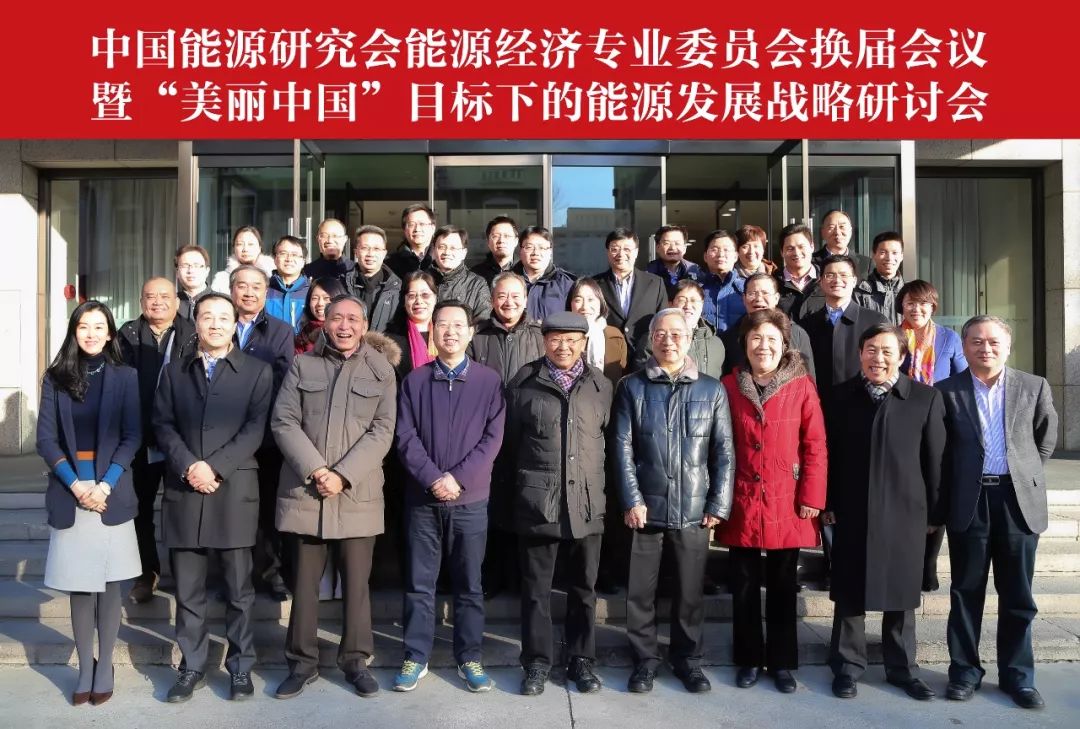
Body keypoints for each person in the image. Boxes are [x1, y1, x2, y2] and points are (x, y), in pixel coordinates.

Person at [271, 295, 397, 699]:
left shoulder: (382, 370)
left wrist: (342, 475)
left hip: (357, 494)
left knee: (357, 586)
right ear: (324, 322)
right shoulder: (303, 364)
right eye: (337, 318)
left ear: (365, 325)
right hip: (306, 492)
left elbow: (383, 430)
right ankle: (301, 663)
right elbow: (284, 420)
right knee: (304, 585)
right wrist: (316, 469)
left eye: (353, 319)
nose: (344, 326)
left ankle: (356, 662)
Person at [153, 293, 273, 703]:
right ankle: (192, 665)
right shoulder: (174, 372)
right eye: (208, 317)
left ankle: (240, 667)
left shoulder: (256, 371)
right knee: (188, 591)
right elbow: (162, 424)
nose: (216, 324)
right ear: (197, 323)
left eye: (224, 317)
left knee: (239, 590)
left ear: (235, 323)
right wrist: (190, 466)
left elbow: (256, 429)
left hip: (233, 490)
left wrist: (215, 467)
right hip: (184, 489)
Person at [937, 316, 1058, 710]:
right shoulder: (946, 391)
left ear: (1007, 346)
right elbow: (941, 451)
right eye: (976, 341)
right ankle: (964, 672)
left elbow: (1044, 440)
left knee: (1018, 594)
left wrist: (1021, 475)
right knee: (965, 592)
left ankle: (1018, 676)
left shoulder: (1033, 386)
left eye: (992, 341)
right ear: (964, 347)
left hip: (1016, 501)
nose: (984, 348)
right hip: (969, 501)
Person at [612, 308, 734, 695]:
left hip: (693, 508)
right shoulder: (631, 387)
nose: (669, 340)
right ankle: (644, 661)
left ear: (689, 338)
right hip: (644, 507)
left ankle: (688, 660)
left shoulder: (711, 389)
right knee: (640, 593)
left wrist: (718, 503)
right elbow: (621, 448)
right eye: (661, 334)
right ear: (651, 340)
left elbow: (724, 452)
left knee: (689, 593)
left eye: (677, 333)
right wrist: (631, 499)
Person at [823, 324, 946, 702]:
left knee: (901, 594)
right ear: (860, 353)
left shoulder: (924, 398)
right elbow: (829, 455)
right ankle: (847, 667)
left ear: (902, 356)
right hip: (852, 509)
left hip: (906, 512)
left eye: (887, 351)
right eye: (871, 350)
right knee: (849, 592)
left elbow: (935, 460)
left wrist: (935, 513)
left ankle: (903, 669)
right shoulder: (840, 396)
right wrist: (828, 502)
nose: (878, 358)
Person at [394, 300, 506, 693]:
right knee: (419, 583)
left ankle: (469, 657)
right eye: (443, 325)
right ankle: (415, 656)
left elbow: (493, 439)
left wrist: (457, 479)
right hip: (423, 501)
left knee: (469, 584)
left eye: (459, 325)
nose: (451, 332)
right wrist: (432, 479)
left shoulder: (489, 382)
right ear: (432, 332)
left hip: (470, 500)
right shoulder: (415, 381)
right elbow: (404, 437)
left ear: (471, 332)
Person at [37, 301, 141, 706]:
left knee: (111, 585)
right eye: (84, 326)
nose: (92, 333)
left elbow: (132, 436)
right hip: (71, 488)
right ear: (74, 331)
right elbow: (46, 439)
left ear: (110, 333)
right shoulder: (56, 378)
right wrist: (77, 485)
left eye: (99, 326)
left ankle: (105, 665)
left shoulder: (125, 376)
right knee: (81, 586)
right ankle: (85, 666)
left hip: (111, 490)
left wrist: (105, 485)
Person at [717, 309, 826, 694]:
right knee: (744, 586)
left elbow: (815, 445)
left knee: (782, 586)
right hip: (743, 497)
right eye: (756, 338)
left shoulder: (801, 386)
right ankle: (748, 659)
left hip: (787, 498)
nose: (763, 346)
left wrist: (812, 495)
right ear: (744, 343)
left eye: (771, 340)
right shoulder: (729, 386)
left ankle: (781, 663)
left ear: (784, 345)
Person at [505, 312, 613, 697]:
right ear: (544, 341)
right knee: (536, 589)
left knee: (584, 588)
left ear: (584, 343)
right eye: (555, 339)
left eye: (571, 340)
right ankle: (536, 662)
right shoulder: (524, 383)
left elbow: (611, 444)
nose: (563, 346)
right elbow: (510, 446)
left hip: (586, 502)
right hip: (539, 502)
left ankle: (581, 660)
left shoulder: (601, 385)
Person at [117, 277, 195, 604]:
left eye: (165, 296)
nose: (157, 302)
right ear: (141, 301)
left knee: (182, 507)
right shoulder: (126, 335)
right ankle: (146, 572)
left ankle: (186, 574)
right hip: (140, 438)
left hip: (181, 438)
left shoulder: (193, 333)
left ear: (177, 302)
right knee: (140, 508)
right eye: (150, 296)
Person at [467, 272, 544, 600]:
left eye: (515, 296)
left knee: (526, 505)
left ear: (526, 299)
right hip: (487, 433)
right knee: (492, 507)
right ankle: (491, 576)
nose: (508, 302)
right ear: (491, 300)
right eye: (502, 296)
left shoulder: (540, 336)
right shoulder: (478, 336)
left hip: (529, 434)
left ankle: (521, 578)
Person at [897, 279, 968, 592]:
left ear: (932, 306)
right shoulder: (893, 336)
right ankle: (907, 559)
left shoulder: (948, 338)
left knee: (935, 489)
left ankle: (928, 564)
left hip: (939, 421)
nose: (917, 309)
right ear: (901, 305)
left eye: (923, 303)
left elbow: (963, 378)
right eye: (910, 303)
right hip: (902, 421)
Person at [231, 264, 297, 601]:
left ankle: (272, 573)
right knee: (231, 510)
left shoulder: (281, 330)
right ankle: (233, 579)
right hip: (225, 437)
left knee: (269, 507)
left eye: (256, 286)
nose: (249, 292)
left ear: (266, 292)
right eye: (242, 285)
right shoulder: (218, 325)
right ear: (232, 290)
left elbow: (283, 379)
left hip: (267, 436)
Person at [801, 255, 889, 396]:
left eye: (844, 275)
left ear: (854, 281)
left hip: (864, 401)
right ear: (821, 282)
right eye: (830, 275)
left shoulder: (876, 321)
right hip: (819, 403)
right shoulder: (807, 324)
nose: (837, 280)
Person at [719, 273, 815, 380]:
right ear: (744, 299)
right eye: (752, 293)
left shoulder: (796, 333)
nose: (758, 298)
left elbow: (809, 380)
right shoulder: (730, 337)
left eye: (765, 293)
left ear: (776, 298)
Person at [593, 228, 667, 357]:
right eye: (615, 249)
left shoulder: (655, 283)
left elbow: (663, 320)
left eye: (627, 249)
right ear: (607, 252)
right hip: (607, 355)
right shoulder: (595, 284)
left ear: (636, 252)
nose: (621, 254)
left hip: (645, 356)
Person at [632, 279, 726, 379]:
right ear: (670, 304)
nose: (688, 306)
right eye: (682, 300)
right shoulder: (654, 339)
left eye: (693, 300)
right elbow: (642, 378)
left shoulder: (716, 343)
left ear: (702, 304)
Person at [568, 277, 628, 388]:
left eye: (591, 299)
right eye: (578, 300)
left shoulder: (614, 336)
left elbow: (622, 378)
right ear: (570, 304)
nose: (585, 306)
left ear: (600, 303)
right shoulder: (560, 336)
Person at [424, 225, 492, 320]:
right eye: (442, 247)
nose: (447, 252)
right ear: (434, 250)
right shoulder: (422, 280)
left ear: (463, 253)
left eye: (453, 248)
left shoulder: (476, 284)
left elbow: (483, 321)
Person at [385, 271, 439, 380]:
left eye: (425, 295)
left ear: (435, 299)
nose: (419, 301)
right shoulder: (390, 341)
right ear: (404, 301)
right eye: (412, 296)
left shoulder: (447, 334)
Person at [349, 224, 402, 333]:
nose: (370, 254)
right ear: (356, 252)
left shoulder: (398, 288)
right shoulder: (343, 284)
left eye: (376, 249)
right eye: (365, 248)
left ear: (384, 253)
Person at [775, 223, 826, 322]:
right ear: (782, 252)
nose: (796, 253)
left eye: (801, 247)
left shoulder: (826, 279)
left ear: (812, 246)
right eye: (790, 249)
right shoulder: (773, 283)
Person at [853, 231, 905, 325]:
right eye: (883, 252)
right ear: (873, 255)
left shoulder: (910, 292)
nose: (889, 258)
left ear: (901, 256)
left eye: (894, 253)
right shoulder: (859, 292)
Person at [699, 229, 745, 333]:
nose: (720, 254)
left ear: (736, 256)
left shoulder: (747, 288)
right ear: (705, 256)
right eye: (714, 249)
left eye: (726, 250)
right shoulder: (695, 289)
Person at [265, 235, 311, 332]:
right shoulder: (264, 289)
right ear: (275, 259)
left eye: (294, 255)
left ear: (303, 261)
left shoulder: (312, 291)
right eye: (283, 253)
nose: (289, 259)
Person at [211, 225, 275, 293]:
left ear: (259, 248)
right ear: (234, 248)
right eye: (239, 244)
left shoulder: (272, 278)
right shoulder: (222, 279)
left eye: (250, 244)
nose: (245, 249)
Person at [294, 277, 348, 355]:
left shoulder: (349, 331)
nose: (320, 303)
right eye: (315, 298)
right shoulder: (303, 335)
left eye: (326, 298)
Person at [645, 224, 702, 297]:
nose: (672, 248)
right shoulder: (648, 274)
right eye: (666, 243)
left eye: (677, 243)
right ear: (657, 248)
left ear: (684, 248)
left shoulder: (695, 272)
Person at [811, 210, 871, 279]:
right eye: (831, 227)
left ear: (850, 231)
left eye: (842, 226)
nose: (837, 232)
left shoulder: (866, 264)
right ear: (822, 232)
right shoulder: (810, 261)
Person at [301, 218, 356, 286]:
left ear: (345, 239)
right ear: (318, 239)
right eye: (324, 236)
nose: (329, 240)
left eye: (335, 236)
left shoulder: (354, 270)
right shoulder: (307, 272)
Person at [387, 203, 436, 278]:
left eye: (422, 224)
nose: (417, 229)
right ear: (404, 230)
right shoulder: (390, 263)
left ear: (433, 228)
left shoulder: (443, 259)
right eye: (411, 224)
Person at [471, 215, 519, 285]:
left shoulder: (525, 270)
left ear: (516, 241)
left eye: (507, 236)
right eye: (495, 236)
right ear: (488, 241)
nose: (501, 240)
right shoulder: (475, 274)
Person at [175, 244, 211, 321]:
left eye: (196, 265)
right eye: (185, 266)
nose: (190, 270)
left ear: (207, 271)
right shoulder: (171, 303)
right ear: (177, 272)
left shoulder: (222, 301)